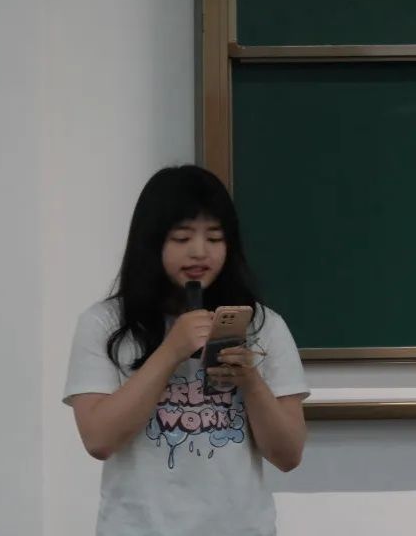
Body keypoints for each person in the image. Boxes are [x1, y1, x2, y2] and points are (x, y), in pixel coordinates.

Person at [63, 164, 309, 536]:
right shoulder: (104, 324)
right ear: (152, 243)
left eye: (215, 237)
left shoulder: (263, 325)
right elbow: (99, 440)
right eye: (181, 238)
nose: (199, 252)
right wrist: (171, 351)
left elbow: (288, 455)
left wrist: (250, 381)